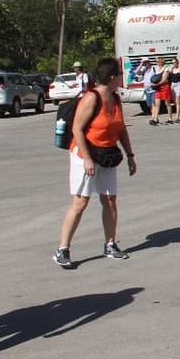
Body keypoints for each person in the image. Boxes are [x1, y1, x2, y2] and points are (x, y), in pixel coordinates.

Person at [53, 58, 138, 268]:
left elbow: (120, 128)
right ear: (112, 77)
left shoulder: (115, 98)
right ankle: (62, 249)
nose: (122, 78)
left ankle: (110, 244)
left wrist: (130, 155)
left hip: (106, 154)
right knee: (80, 203)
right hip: (85, 155)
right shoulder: (91, 98)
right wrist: (88, 158)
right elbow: (77, 130)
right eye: (120, 74)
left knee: (110, 200)